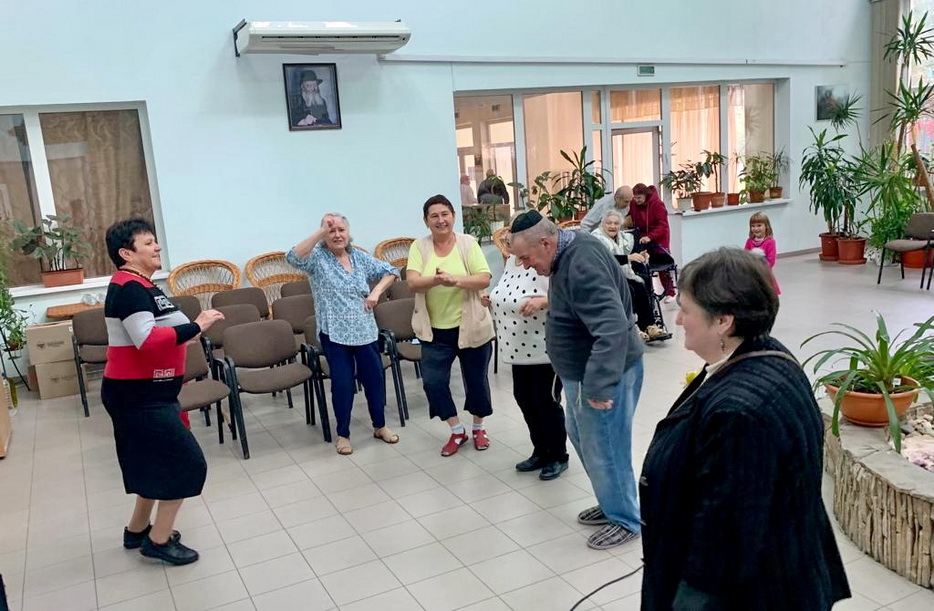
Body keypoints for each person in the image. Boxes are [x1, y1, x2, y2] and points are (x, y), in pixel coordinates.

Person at [639, 248, 850, 610]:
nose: (678, 320)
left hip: (758, 593)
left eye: (686, 310)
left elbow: (724, 542)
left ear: (723, 320)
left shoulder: (737, 414)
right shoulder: (769, 355)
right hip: (790, 567)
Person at [508, 210, 645, 550]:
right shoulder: (567, 251)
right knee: (586, 440)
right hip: (584, 374)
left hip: (602, 374)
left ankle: (625, 519)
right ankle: (612, 502)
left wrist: (599, 385)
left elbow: (611, 328)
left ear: (545, 242)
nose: (525, 265)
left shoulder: (581, 263)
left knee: (606, 448)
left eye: (526, 257)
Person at [102, 218, 225, 566]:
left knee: (151, 461)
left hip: (150, 392)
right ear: (127, 253)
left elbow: (162, 329)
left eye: (155, 241)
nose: (157, 247)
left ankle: (137, 530)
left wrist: (191, 332)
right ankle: (158, 540)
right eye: (148, 243)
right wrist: (196, 325)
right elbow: (147, 339)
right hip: (139, 396)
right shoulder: (129, 288)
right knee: (186, 463)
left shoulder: (143, 285)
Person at [287, 213, 400, 455]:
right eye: (331, 231)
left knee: (374, 380)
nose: (337, 235)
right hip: (335, 333)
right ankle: (343, 434)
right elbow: (292, 257)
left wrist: (376, 292)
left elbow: (392, 271)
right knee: (343, 384)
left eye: (341, 230)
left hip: (365, 330)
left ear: (348, 233)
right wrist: (320, 231)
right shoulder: (318, 258)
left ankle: (380, 426)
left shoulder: (358, 257)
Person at [406, 194, 494, 456]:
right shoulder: (419, 247)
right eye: (434, 216)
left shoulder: (468, 244)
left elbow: (484, 278)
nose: (440, 220)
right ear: (426, 221)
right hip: (434, 331)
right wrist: (436, 280)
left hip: (471, 326)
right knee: (433, 383)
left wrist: (455, 280)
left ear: (453, 216)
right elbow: (412, 282)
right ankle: (457, 430)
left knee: (477, 382)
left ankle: (478, 428)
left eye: (445, 214)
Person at [485, 239, 569, 480]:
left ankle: (558, 455)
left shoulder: (549, 259)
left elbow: (568, 295)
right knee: (525, 398)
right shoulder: (513, 260)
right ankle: (540, 450)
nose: (508, 241)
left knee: (546, 401)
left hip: (546, 346)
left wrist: (543, 301)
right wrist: (493, 299)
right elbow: (507, 291)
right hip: (519, 348)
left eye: (514, 237)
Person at [591, 209, 668, 341]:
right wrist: (628, 258)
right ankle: (632, 327)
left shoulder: (623, 238)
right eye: (609, 223)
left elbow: (633, 253)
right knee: (628, 289)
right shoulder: (596, 238)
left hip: (621, 276)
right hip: (603, 278)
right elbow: (606, 259)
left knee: (639, 286)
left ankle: (649, 326)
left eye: (616, 223)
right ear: (602, 224)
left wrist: (641, 255)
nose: (613, 226)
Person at [629, 183, 675, 301]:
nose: (636, 200)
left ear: (646, 195)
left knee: (662, 265)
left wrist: (650, 236)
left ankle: (670, 292)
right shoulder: (633, 204)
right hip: (642, 238)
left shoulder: (657, 204)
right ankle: (648, 292)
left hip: (659, 238)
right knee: (643, 263)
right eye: (635, 197)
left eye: (639, 198)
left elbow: (662, 225)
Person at [744, 211, 781, 295]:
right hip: (752, 274)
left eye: (759, 225)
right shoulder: (749, 241)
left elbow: (771, 261)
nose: (756, 228)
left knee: (767, 294)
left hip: (764, 274)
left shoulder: (770, 242)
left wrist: (760, 268)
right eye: (753, 226)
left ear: (766, 226)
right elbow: (745, 256)